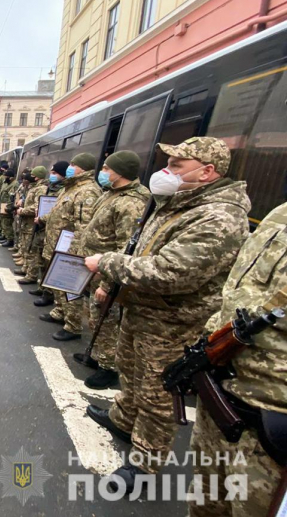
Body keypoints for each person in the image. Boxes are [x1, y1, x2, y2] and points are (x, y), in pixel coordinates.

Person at [83, 137, 250, 493]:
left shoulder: (218, 216)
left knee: (158, 393)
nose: (166, 171)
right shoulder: (179, 203)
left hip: (174, 323)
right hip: (145, 311)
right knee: (129, 372)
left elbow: (170, 273)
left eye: (177, 165)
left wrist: (108, 263)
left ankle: (146, 462)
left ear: (207, 172)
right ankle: (124, 420)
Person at [188, 201, 287, 517]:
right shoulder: (279, 214)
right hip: (223, 392)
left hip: (271, 421)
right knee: (205, 504)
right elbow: (239, 291)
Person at [75, 150, 150, 389]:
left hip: (108, 274)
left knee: (106, 320)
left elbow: (127, 246)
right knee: (96, 317)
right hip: (96, 269)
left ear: (120, 172)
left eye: (107, 168)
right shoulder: (112, 194)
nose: (103, 172)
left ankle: (108, 367)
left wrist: (108, 284)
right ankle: (97, 356)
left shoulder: (131, 202)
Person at [39, 153, 101, 341]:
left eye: (74, 164)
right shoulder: (70, 188)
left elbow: (84, 226)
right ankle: (60, 312)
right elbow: (58, 214)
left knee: (70, 288)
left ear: (84, 168)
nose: (70, 167)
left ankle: (73, 325)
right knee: (59, 284)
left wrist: (75, 254)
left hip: (70, 249)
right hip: (57, 244)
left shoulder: (87, 191)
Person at [28, 161, 69, 306]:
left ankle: (49, 295)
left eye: (54, 173)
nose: (51, 175)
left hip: (58, 235)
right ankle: (43, 288)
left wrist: (42, 218)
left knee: (52, 264)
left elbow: (57, 213)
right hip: (46, 230)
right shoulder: (54, 188)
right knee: (43, 261)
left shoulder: (64, 190)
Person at [0, 170, 18, 247]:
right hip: (4, 205)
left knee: (8, 223)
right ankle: (6, 237)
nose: (5, 178)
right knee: (4, 222)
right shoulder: (7, 183)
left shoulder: (15, 184)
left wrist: (11, 207)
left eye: (6, 176)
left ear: (11, 177)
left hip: (9, 206)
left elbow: (13, 197)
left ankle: (10, 240)